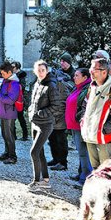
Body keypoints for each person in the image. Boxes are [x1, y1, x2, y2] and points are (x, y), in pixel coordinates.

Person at [81, 58, 111, 171]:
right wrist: (82, 121)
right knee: (96, 170)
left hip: (105, 138)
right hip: (90, 136)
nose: (91, 71)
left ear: (104, 72)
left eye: (94, 69)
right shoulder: (92, 87)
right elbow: (84, 107)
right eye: (91, 68)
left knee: (108, 171)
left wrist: (105, 129)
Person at [27, 60, 64, 189]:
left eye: (43, 70)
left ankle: (36, 181)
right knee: (39, 152)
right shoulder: (37, 83)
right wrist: (31, 111)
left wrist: (41, 113)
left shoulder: (51, 85)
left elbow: (57, 106)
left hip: (46, 124)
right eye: (38, 70)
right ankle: (45, 180)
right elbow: (33, 101)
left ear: (47, 71)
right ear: (34, 71)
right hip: (35, 123)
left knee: (34, 152)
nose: (41, 72)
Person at [66, 68, 92, 184]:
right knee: (81, 153)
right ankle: (81, 173)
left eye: (77, 75)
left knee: (84, 153)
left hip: (80, 126)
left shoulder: (88, 89)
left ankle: (85, 179)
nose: (74, 77)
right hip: (74, 126)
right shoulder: (78, 87)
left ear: (85, 77)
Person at [0, 62, 19, 164]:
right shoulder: (6, 81)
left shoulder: (14, 83)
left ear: (9, 72)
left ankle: (12, 156)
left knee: (9, 136)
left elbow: (11, 100)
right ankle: (7, 153)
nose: (2, 75)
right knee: (5, 134)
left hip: (9, 113)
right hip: (4, 112)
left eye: (3, 73)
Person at [12, 61, 29, 141]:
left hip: (19, 100)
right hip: (12, 99)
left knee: (20, 118)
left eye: (13, 67)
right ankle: (13, 136)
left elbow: (22, 86)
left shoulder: (21, 76)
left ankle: (25, 136)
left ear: (17, 68)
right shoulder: (12, 75)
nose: (12, 68)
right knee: (12, 118)